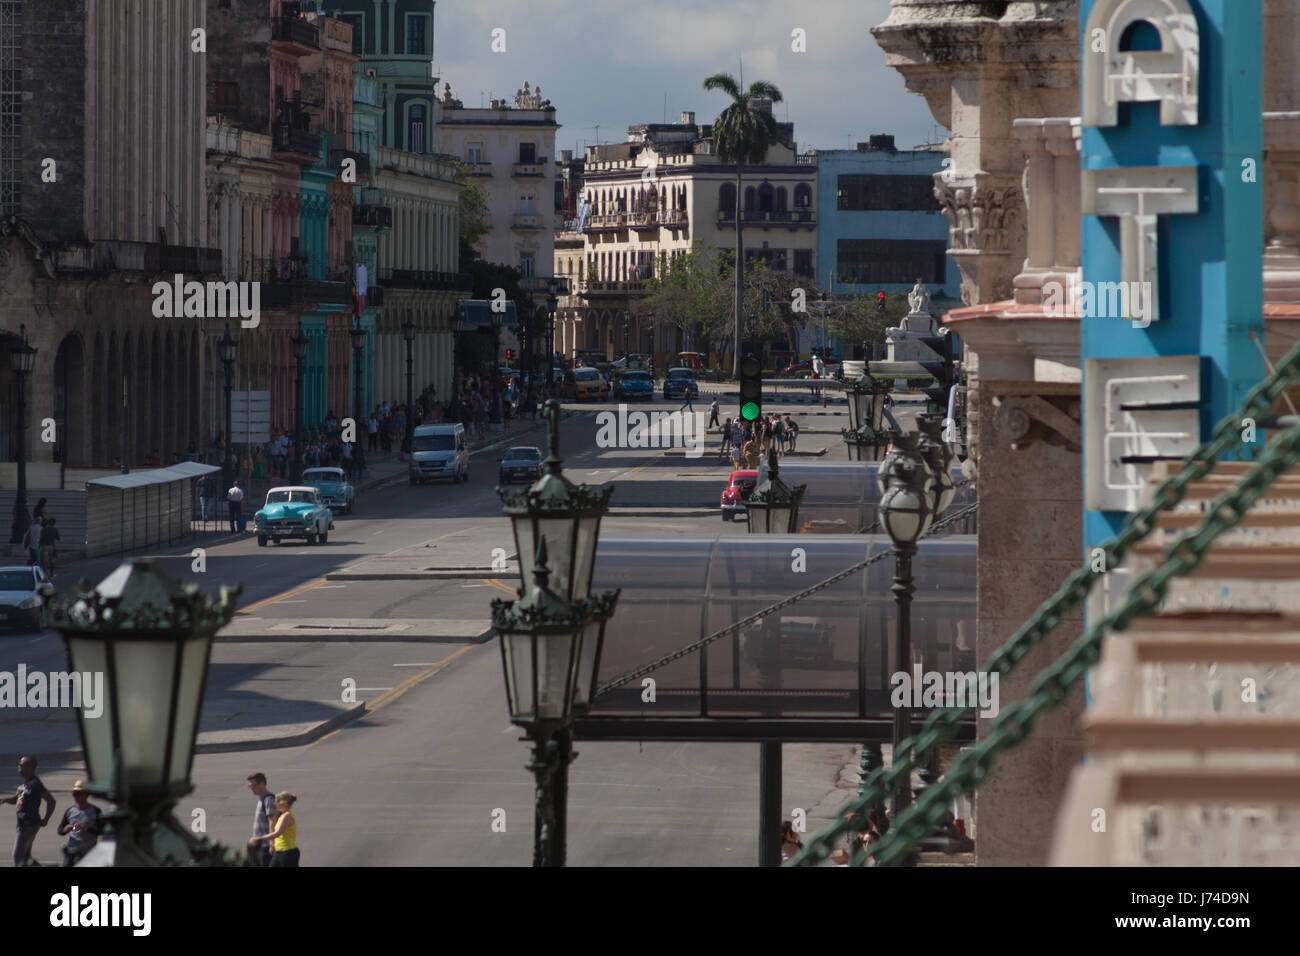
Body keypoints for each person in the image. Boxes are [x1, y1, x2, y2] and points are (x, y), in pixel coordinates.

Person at [2, 756, 55, 866]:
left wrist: (46, 819)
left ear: (29, 767)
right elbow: (17, 800)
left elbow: (51, 801)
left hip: (29, 824)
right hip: (22, 824)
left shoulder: (35, 784)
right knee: (26, 857)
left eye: (21, 765)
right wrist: (5, 800)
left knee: (18, 857)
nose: (18, 767)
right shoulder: (23, 785)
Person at [57, 780, 101, 867]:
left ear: (86, 795)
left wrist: (87, 828)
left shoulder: (95, 811)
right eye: (75, 794)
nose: (76, 797)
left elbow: (102, 831)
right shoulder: (70, 811)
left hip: (89, 851)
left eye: (79, 794)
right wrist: (65, 830)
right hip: (72, 851)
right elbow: (60, 830)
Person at [249, 791, 299, 867]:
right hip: (280, 851)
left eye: (276, 802)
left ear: (283, 803)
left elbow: (277, 833)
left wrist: (258, 839)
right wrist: (273, 845)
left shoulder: (287, 816)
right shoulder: (282, 816)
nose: (275, 804)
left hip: (288, 852)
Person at [247, 773, 278, 867]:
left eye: (253, 785)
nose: (251, 788)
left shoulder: (269, 799)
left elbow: (272, 822)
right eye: (250, 786)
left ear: (262, 784)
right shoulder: (261, 800)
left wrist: (272, 844)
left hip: (266, 846)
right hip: (260, 846)